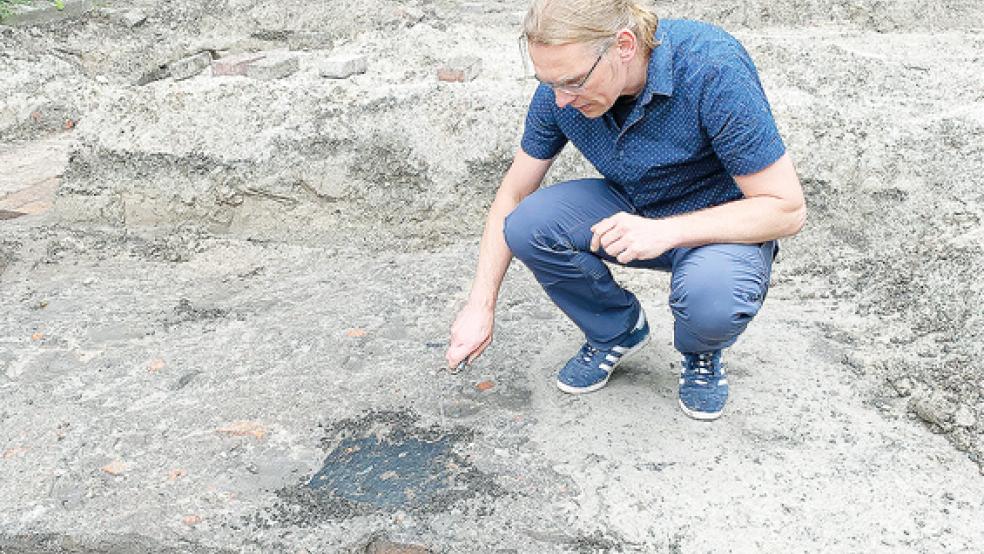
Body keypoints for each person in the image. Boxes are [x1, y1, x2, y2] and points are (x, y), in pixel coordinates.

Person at [445, 0, 806, 420]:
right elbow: (511, 197)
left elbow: (787, 209)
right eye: (549, 83)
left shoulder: (712, 67)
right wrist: (481, 305)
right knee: (527, 224)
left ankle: (701, 351)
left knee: (711, 300)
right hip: (634, 207)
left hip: (721, 225)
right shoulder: (561, 94)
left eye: (573, 82)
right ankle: (616, 329)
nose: (560, 100)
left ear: (624, 45)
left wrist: (664, 232)